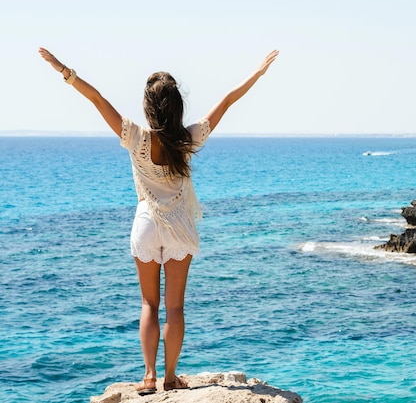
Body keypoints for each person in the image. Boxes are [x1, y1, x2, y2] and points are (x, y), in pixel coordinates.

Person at [39, 47, 279, 395]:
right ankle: (170, 377)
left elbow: (96, 98)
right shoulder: (188, 138)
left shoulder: (134, 136)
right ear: (177, 105)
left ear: (148, 107)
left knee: (149, 304)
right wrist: (257, 74)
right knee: (175, 307)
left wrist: (63, 69)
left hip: (147, 224)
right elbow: (227, 100)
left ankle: (149, 377)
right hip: (180, 225)